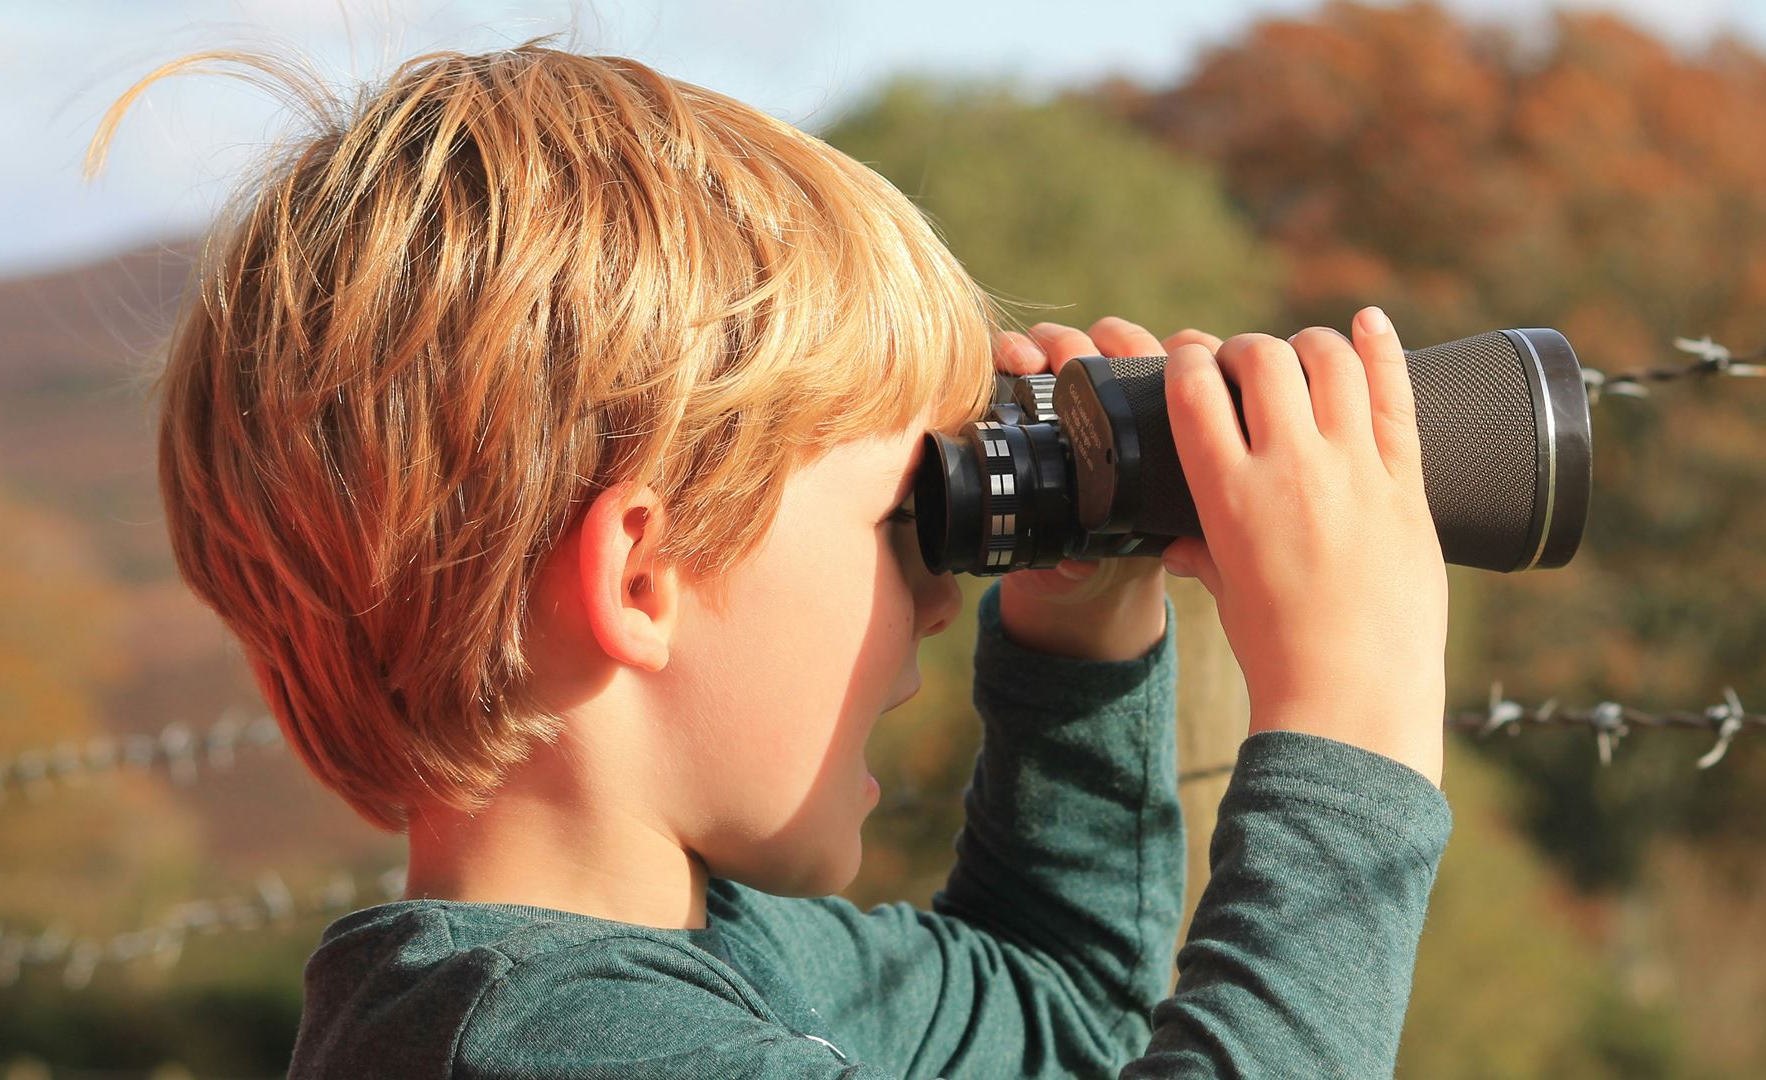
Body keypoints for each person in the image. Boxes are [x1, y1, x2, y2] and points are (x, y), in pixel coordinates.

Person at [90, 41, 1451, 1078]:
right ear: (641, 577)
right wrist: (1352, 725)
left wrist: (1076, 629)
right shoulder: (558, 1046)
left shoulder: (666, 958)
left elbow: (1061, 1025)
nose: (934, 596)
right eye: (891, 522)